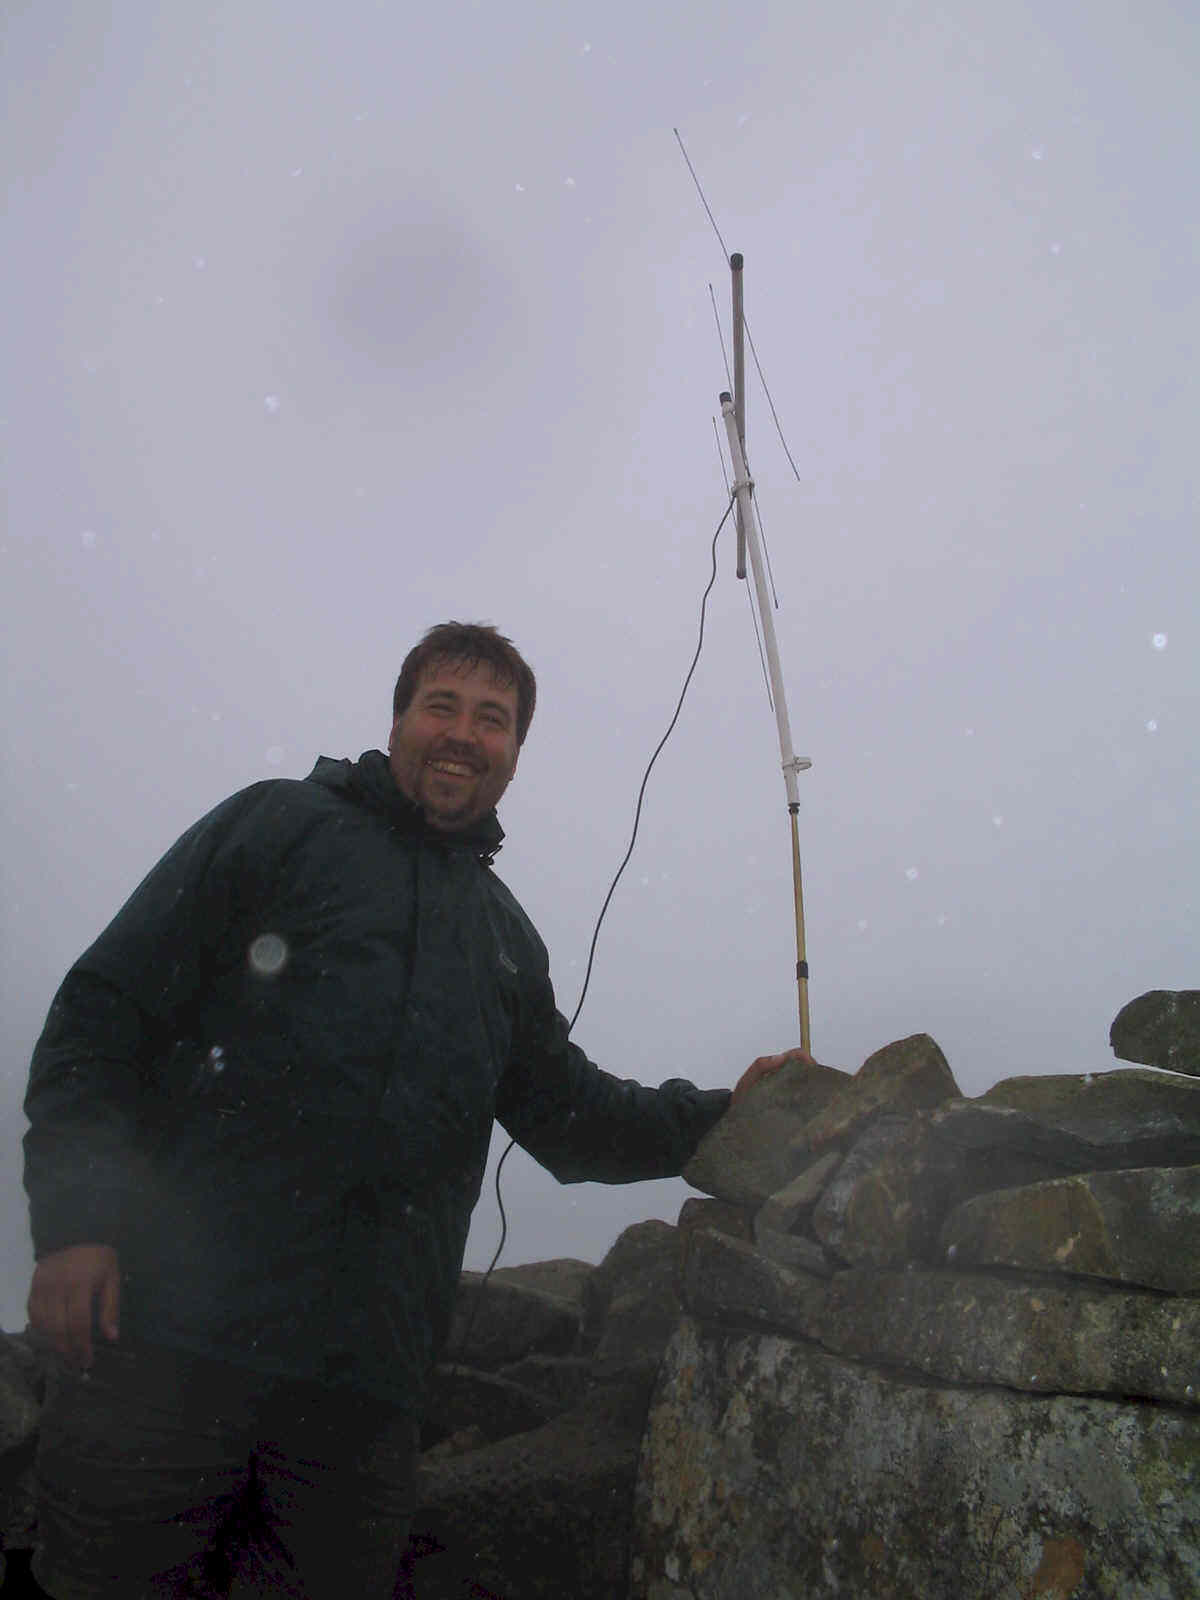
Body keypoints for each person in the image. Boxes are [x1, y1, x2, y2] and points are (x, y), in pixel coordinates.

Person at [23, 621, 799, 1598]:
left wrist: (731, 1113)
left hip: (360, 1403)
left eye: (494, 719)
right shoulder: (276, 827)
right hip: (167, 1349)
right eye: (443, 706)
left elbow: (572, 1115)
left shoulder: (503, 938)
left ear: (516, 752)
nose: (464, 734)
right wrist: (77, 1225)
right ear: (398, 720)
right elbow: (103, 1013)